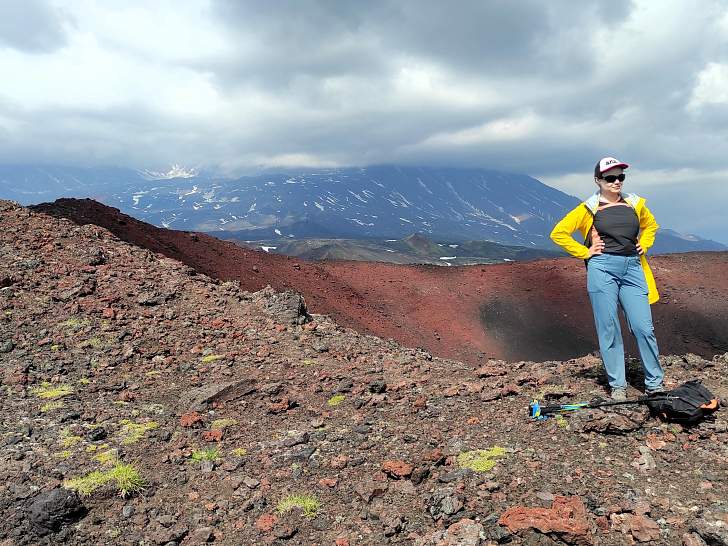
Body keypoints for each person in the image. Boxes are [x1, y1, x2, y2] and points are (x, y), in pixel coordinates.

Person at [550, 157, 664, 401]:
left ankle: (655, 384)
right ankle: (618, 386)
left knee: (643, 327)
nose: (616, 182)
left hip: (633, 268)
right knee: (609, 327)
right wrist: (585, 252)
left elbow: (651, 226)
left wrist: (644, 243)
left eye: (620, 177)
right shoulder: (588, 208)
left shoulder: (635, 204)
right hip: (602, 268)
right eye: (610, 178)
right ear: (598, 180)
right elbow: (558, 233)